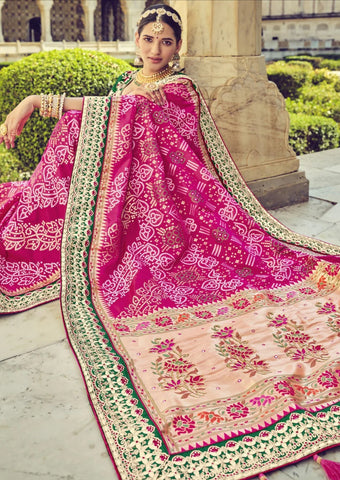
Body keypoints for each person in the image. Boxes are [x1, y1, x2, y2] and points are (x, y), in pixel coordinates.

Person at [1, 4, 340, 480]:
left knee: (225, 259)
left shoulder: (179, 89)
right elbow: (111, 119)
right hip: (133, 194)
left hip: (173, 208)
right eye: (149, 39)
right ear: (137, 40)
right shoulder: (124, 83)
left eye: (166, 41)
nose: (156, 49)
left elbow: (129, 115)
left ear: (178, 47)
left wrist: (37, 99)